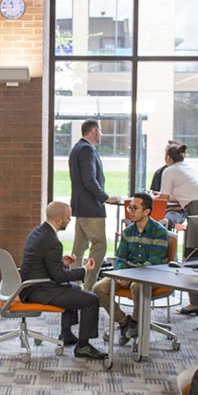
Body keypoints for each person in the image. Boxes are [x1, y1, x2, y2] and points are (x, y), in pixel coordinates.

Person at [19, 202, 107, 360]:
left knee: (75, 289)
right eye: (67, 218)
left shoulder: (38, 231)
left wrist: (61, 262)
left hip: (32, 286)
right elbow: (59, 277)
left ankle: (66, 334)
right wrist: (85, 270)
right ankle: (83, 346)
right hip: (39, 290)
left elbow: (42, 262)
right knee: (91, 299)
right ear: (59, 220)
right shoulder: (53, 241)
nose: (70, 221)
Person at [92, 193, 170, 345]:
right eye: (129, 208)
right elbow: (120, 258)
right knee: (98, 287)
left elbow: (154, 262)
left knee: (137, 286)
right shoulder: (128, 231)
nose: (130, 211)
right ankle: (124, 322)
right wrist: (122, 273)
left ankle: (135, 320)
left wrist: (130, 277)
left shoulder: (159, 232)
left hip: (153, 275)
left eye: (135, 208)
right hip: (128, 274)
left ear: (147, 211)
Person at [159, 143, 198, 314]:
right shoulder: (187, 168)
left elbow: (163, 198)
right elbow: (184, 196)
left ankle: (195, 303)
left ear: (168, 158)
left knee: (192, 258)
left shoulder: (169, 170)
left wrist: (155, 200)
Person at [68, 119, 120, 291]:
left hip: (81, 207)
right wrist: (105, 198)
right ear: (93, 131)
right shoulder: (86, 150)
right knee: (99, 247)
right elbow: (89, 179)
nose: (102, 135)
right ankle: (89, 287)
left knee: (79, 248)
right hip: (91, 209)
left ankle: (73, 286)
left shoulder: (78, 148)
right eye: (100, 131)